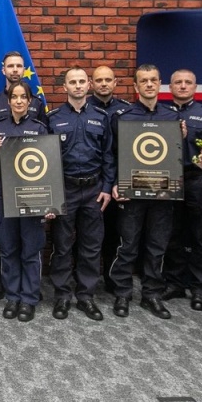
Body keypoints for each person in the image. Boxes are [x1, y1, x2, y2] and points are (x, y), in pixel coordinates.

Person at [109, 64, 183, 320]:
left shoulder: (173, 118)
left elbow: (178, 158)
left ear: (160, 83)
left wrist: (181, 140)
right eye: (144, 81)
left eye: (153, 80)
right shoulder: (123, 116)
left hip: (163, 194)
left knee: (156, 245)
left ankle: (151, 293)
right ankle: (123, 293)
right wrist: (115, 182)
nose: (149, 84)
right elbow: (112, 154)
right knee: (127, 244)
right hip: (132, 193)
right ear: (135, 86)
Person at [46, 67, 115, 321]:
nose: (77, 86)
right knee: (62, 245)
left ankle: (86, 296)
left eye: (81, 82)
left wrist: (107, 188)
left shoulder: (101, 116)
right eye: (72, 82)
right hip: (65, 188)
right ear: (64, 87)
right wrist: (51, 193)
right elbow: (46, 159)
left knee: (91, 245)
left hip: (94, 189)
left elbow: (108, 155)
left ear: (89, 86)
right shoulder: (52, 118)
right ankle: (62, 296)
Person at [0, 81, 54, 322]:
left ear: (29, 101)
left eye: (22, 97)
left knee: (31, 249)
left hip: (32, 197)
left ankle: (29, 299)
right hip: (6, 196)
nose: (18, 101)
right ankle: (13, 297)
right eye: (14, 97)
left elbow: (48, 168)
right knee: (8, 249)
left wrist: (50, 202)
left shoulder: (39, 128)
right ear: (8, 101)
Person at [162, 69, 202, 312]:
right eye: (178, 82)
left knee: (201, 236)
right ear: (170, 87)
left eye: (188, 82)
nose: (183, 86)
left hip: (198, 180)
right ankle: (174, 282)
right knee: (172, 234)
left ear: (195, 87)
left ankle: (200, 288)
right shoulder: (162, 114)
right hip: (168, 180)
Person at [87, 65, 131, 295]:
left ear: (115, 83)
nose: (103, 84)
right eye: (99, 80)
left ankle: (112, 280)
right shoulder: (83, 108)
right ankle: (83, 281)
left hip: (118, 184)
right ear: (91, 84)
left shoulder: (128, 111)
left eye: (108, 80)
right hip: (91, 185)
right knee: (86, 237)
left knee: (114, 235)